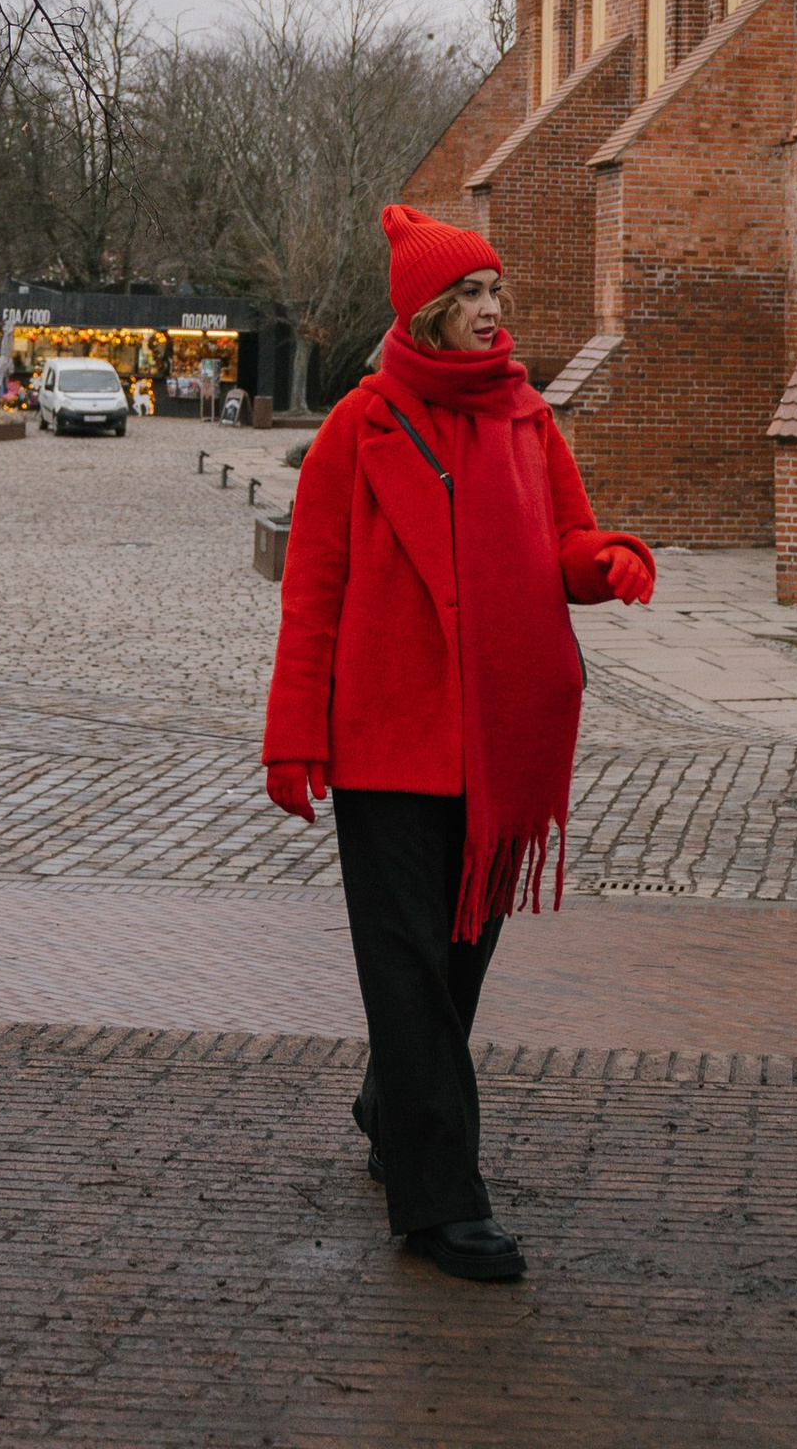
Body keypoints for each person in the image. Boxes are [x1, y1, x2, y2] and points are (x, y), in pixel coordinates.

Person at [262, 202, 655, 1285]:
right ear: (428, 313)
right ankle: (443, 1202)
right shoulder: (361, 425)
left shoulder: (529, 420)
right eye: (473, 297)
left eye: (497, 295)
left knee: (455, 961)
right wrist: (293, 735)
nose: (494, 314)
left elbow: (564, 541)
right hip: (387, 738)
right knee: (405, 970)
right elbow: (315, 591)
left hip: (500, 739)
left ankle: (394, 1104)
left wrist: (604, 562)